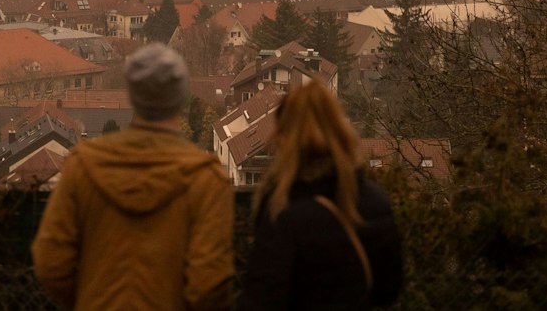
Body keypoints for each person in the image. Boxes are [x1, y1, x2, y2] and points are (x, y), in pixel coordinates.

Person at [32, 44, 235, 311]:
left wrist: (88, 299)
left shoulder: (84, 166)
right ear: (181, 97)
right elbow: (209, 283)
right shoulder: (206, 180)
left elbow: (50, 264)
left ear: (132, 95)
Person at [238, 81, 402, 311]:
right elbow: (388, 291)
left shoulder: (284, 212)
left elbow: (261, 298)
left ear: (285, 137)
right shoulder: (376, 202)